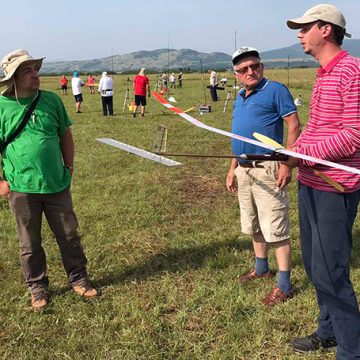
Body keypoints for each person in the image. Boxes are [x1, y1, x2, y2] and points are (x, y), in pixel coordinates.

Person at [286, 4, 360, 358]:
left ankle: (351, 350)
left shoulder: (352, 72)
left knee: (332, 271)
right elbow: (315, 128)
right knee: (316, 267)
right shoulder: (323, 74)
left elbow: (353, 136)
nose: (299, 34)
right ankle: (328, 331)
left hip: (336, 187)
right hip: (311, 183)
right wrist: (287, 151)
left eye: (304, 28)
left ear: (325, 30)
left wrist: (302, 155)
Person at [0, 49, 99, 310]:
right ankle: (37, 287)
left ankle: (78, 278)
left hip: (57, 183)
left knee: (69, 235)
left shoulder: (52, 100)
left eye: (35, 69)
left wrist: (68, 166)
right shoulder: (1, 106)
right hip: (21, 187)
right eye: (27, 71)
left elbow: (65, 134)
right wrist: (0, 181)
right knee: (30, 243)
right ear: (13, 78)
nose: (35, 75)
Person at [226, 47, 301, 306]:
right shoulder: (239, 96)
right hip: (243, 169)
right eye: (244, 69)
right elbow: (238, 136)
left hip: (268, 168)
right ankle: (261, 268)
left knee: (276, 228)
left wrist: (287, 164)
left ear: (262, 66)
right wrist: (232, 169)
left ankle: (285, 284)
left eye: (255, 66)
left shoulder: (275, 90)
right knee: (253, 222)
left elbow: (293, 124)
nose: (251, 72)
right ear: (236, 74)